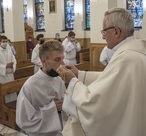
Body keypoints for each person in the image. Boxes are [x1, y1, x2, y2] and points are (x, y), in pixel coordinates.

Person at [57, 8, 146, 136]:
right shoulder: (136, 52)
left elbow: (93, 103)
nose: (103, 36)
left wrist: (72, 82)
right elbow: (112, 79)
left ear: (116, 31)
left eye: (104, 31)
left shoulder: (126, 58)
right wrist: (80, 75)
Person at [16, 40, 67, 136]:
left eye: (62, 59)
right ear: (44, 61)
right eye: (57, 60)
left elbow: (63, 102)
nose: (62, 63)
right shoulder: (30, 86)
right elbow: (24, 121)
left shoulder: (58, 80)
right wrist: (52, 108)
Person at [0, 35, 17, 112]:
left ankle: (12, 108)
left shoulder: (9, 50)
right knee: (3, 93)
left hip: (10, 75)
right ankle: (2, 109)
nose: (5, 43)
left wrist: (12, 66)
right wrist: (5, 67)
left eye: (6, 41)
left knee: (11, 92)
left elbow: (14, 61)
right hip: (2, 77)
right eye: (3, 42)